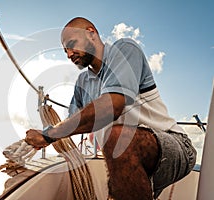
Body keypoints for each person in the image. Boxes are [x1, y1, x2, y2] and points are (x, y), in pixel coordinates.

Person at [25, 17, 196, 200]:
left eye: (72, 44)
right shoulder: (82, 82)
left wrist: (48, 134)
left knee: (117, 138)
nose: (69, 54)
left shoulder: (125, 50)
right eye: (65, 50)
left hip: (174, 143)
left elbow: (112, 106)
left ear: (91, 33)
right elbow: (74, 122)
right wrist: (47, 133)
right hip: (125, 152)